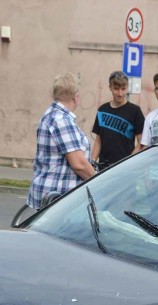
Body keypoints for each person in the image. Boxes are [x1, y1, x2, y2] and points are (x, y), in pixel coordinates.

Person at [27, 72, 95, 209]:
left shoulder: (50, 115)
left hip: (47, 191)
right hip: (58, 196)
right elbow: (79, 164)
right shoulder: (61, 120)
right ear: (76, 97)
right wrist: (99, 180)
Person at [91, 71, 145, 168]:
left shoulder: (135, 111)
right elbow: (98, 140)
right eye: (116, 89)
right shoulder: (102, 110)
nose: (120, 93)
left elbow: (142, 142)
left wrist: (128, 162)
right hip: (103, 168)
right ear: (110, 88)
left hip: (124, 169)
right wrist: (92, 162)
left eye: (123, 89)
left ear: (127, 88)